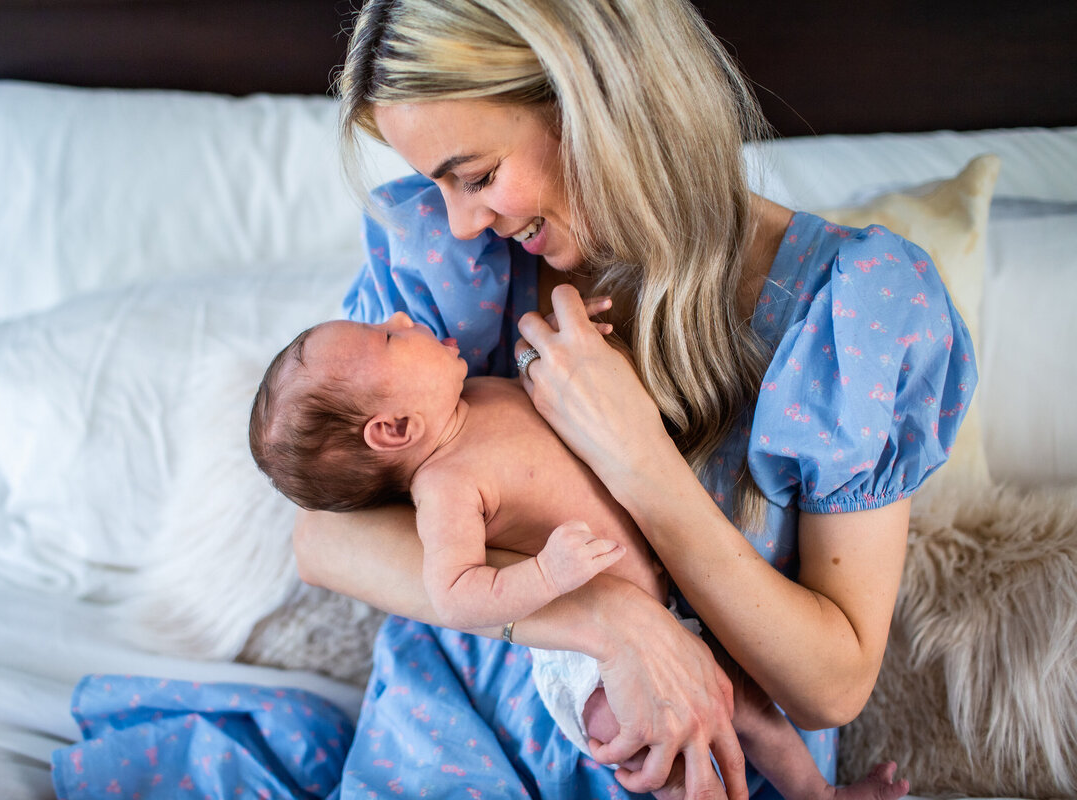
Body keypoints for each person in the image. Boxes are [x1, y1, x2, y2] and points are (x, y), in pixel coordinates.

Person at [293, 0, 978, 797]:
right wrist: (615, 621)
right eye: (438, 184)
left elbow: (831, 686)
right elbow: (323, 539)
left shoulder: (847, 311)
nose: (462, 218)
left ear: (595, 101)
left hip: (694, 760)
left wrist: (641, 461)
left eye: (477, 176)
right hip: (448, 732)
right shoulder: (447, 265)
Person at [251, 309, 910, 800]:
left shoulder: (482, 393)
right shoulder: (445, 487)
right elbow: (456, 593)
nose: (400, 316)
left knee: (752, 708)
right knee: (671, 748)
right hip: (582, 661)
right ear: (394, 429)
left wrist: (600, 349)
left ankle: (818, 796)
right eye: (389, 338)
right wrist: (547, 574)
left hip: (670, 608)